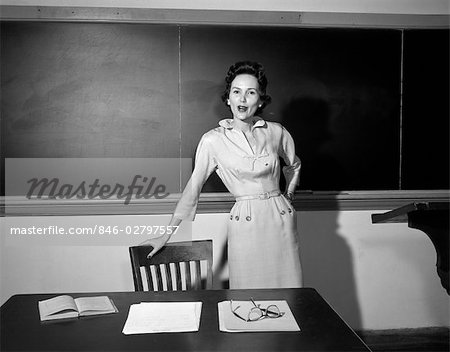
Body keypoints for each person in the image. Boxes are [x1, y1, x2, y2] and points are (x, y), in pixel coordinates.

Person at [143, 61, 303, 289]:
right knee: (250, 294)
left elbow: (294, 164)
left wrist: (288, 194)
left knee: (289, 292)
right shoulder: (213, 140)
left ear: (260, 100)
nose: (243, 99)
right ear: (228, 98)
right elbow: (193, 187)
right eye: (236, 92)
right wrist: (164, 235)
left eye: (251, 93)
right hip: (245, 220)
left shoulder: (276, 132)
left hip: (281, 218)